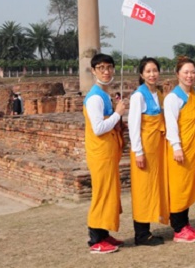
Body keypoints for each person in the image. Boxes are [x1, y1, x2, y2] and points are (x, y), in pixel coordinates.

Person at [83, 53, 126, 254]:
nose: (106, 72)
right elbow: (99, 127)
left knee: (109, 192)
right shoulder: (94, 97)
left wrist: (116, 116)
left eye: (109, 67)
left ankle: (103, 234)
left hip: (108, 151)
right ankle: (95, 239)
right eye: (101, 68)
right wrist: (118, 112)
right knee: (102, 193)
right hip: (100, 152)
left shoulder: (103, 95)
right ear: (93, 71)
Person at [164, 57, 195, 243]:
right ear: (177, 74)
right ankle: (178, 228)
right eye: (186, 72)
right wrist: (176, 146)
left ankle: (185, 223)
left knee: (188, 187)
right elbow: (171, 124)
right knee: (179, 187)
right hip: (180, 148)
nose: (189, 76)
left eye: (192, 72)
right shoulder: (173, 98)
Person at [128, 57, 168, 246]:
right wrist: (138, 151)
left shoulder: (157, 94)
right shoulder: (139, 96)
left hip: (156, 148)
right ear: (142, 74)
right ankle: (141, 233)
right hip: (144, 148)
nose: (152, 74)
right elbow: (134, 126)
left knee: (153, 187)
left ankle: (148, 229)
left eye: (155, 71)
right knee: (143, 189)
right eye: (148, 71)